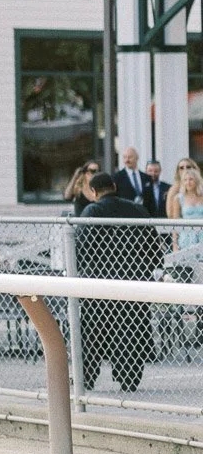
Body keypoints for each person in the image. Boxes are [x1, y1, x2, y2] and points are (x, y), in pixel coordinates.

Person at [77, 171, 166, 393]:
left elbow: (82, 251)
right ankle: (129, 377)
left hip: (100, 283)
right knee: (132, 329)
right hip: (134, 281)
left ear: (94, 191)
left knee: (92, 332)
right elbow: (155, 251)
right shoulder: (137, 210)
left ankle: (87, 377)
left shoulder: (93, 211)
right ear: (115, 186)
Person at [168, 158, 203, 255]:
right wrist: (174, 245)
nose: (188, 182)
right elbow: (175, 222)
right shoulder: (178, 198)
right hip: (187, 236)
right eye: (185, 180)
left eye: (191, 179)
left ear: (196, 180)